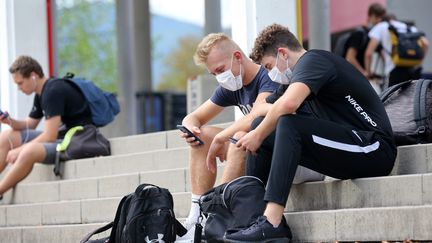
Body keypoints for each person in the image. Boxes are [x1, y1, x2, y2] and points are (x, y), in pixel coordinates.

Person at [224, 24, 397, 242]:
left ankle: (273, 222)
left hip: (373, 149)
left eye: (268, 66)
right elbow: (260, 110)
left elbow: (287, 105)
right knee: (264, 125)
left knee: (286, 123)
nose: (270, 74)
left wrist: (268, 124)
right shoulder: (293, 81)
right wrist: (263, 126)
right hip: (344, 148)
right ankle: (251, 218)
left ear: (283, 53)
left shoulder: (315, 61)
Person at [176, 33, 279, 241]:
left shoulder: (267, 75)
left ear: (238, 57)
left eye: (221, 70)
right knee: (202, 135)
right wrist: (190, 128)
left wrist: (223, 136)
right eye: (214, 74)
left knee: (239, 135)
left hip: (276, 150)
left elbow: (257, 115)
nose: (219, 77)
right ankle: (196, 216)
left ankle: (216, 215)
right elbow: (195, 116)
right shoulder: (233, 85)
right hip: (250, 148)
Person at [0, 56, 94, 200]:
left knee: (28, 151)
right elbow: (30, 124)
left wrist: (19, 150)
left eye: (20, 83)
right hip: (61, 138)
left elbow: (49, 136)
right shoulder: (41, 92)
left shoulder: (53, 91)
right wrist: (10, 121)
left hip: (76, 141)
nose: (18, 88)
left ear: (33, 76)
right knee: (7, 136)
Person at [365, 8, 429, 87]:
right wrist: (419, 62)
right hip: (414, 69)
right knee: (414, 97)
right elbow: (426, 44)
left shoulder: (381, 26)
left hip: (394, 70)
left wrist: (368, 73)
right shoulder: (409, 27)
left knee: (393, 98)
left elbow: (369, 53)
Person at [345, 3, 386, 77]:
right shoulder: (359, 34)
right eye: (376, 17)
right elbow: (350, 57)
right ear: (369, 16)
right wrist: (364, 73)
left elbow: (383, 55)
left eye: (381, 18)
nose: (379, 21)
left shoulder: (376, 37)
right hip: (353, 75)